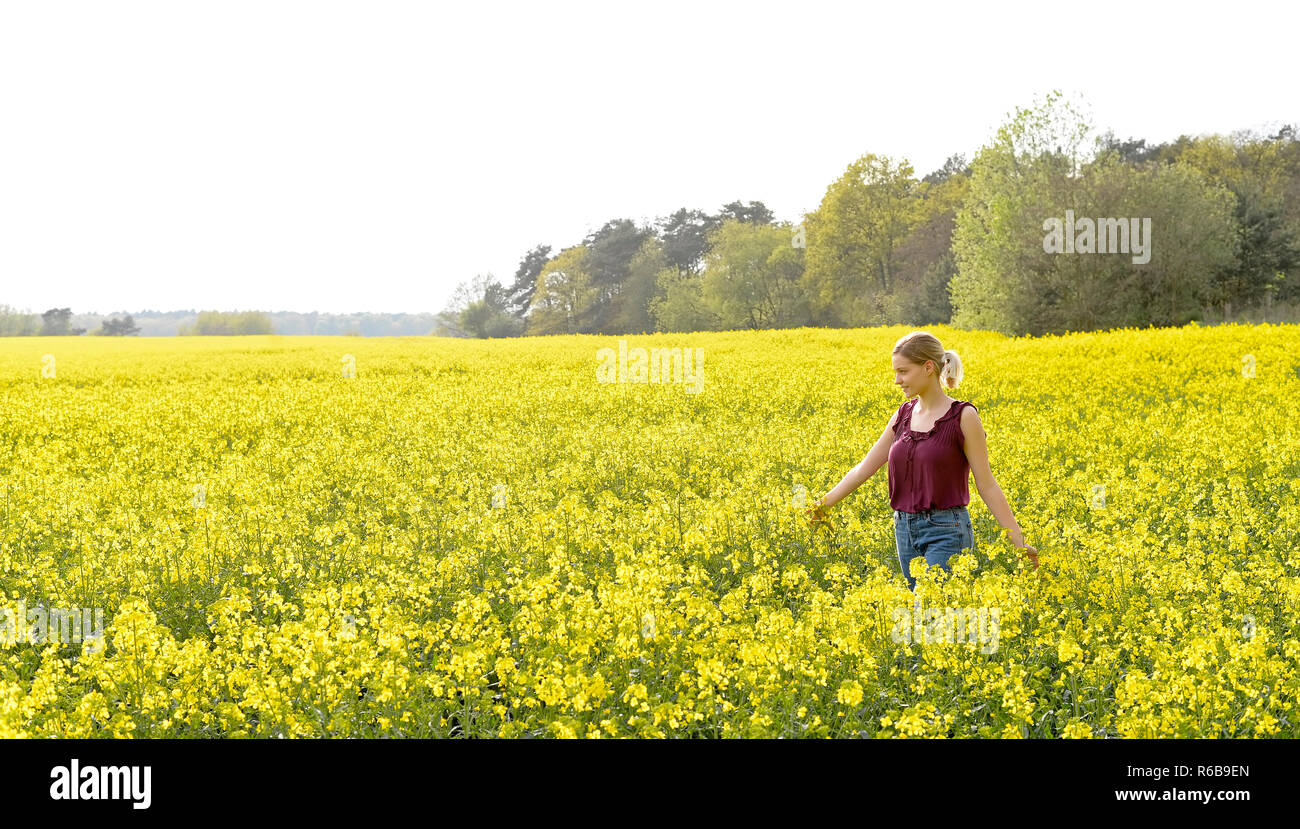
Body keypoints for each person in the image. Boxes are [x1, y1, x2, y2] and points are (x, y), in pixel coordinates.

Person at [804, 331, 1038, 590]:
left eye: (903, 371)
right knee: (924, 621)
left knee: (933, 612)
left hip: (947, 530)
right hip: (904, 530)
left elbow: (987, 485)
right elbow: (863, 469)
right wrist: (822, 505)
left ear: (928, 367)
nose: (897, 380)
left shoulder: (963, 416)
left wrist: (1019, 541)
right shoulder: (903, 415)